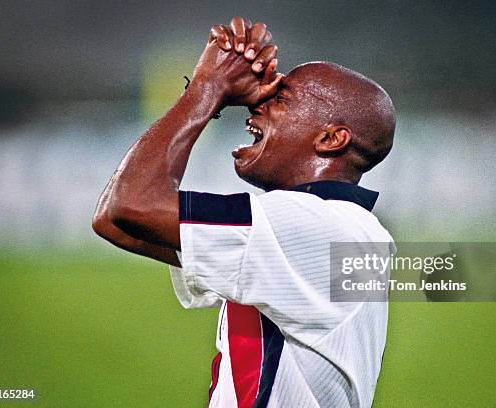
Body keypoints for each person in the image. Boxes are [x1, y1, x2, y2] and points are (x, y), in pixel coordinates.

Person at [92, 16, 396, 408]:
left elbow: (130, 203)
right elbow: (116, 222)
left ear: (331, 138)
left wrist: (208, 88)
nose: (256, 104)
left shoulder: (314, 227)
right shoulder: (332, 230)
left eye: (280, 99)